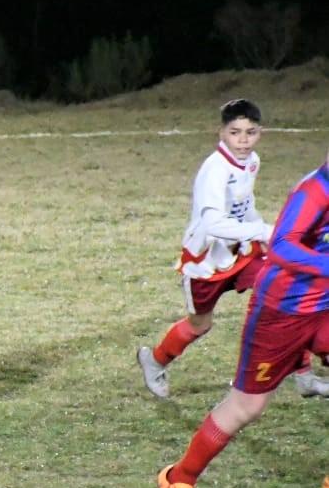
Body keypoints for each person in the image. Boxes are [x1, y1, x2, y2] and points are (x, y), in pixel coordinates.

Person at [156, 152, 329, 488]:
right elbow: (283, 249)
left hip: (325, 306)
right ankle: (179, 479)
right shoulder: (314, 193)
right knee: (246, 406)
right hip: (281, 313)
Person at [137, 98, 329, 399]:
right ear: (221, 133)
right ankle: (155, 360)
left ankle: (303, 375)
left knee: (284, 296)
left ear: (260, 133)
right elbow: (213, 223)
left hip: (242, 252)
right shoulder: (214, 170)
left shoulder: (252, 161)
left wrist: (263, 231)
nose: (243, 140)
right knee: (199, 325)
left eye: (250, 132)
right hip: (207, 261)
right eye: (235, 132)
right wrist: (263, 230)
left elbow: (245, 204)